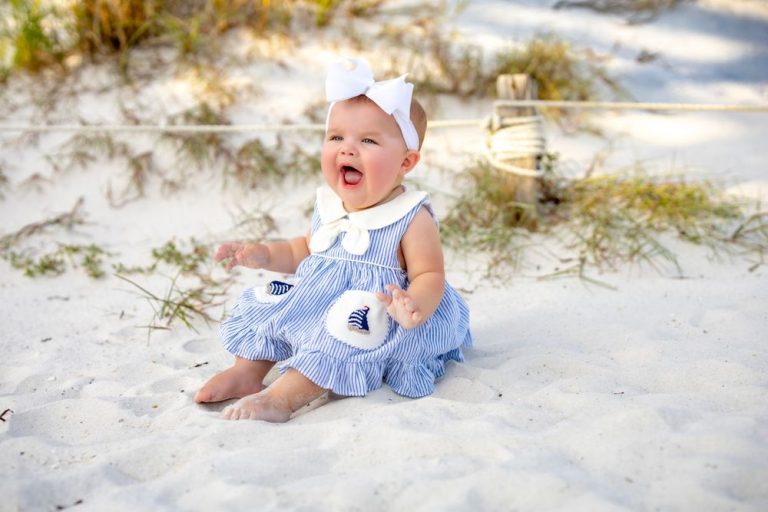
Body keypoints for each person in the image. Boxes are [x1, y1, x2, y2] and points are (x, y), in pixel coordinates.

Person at [195, 57, 472, 422]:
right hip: (320, 299)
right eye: (336, 137)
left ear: (407, 162)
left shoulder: (411, 216)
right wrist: (262, 255)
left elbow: (430, 275)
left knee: (341, 339)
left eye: (368, 140)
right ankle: (247, 371)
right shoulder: (329, 205)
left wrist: (414, 305)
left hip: (376, 310)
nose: (347, 149)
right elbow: (305, 250)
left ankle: (283, 397)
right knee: (271, 311)